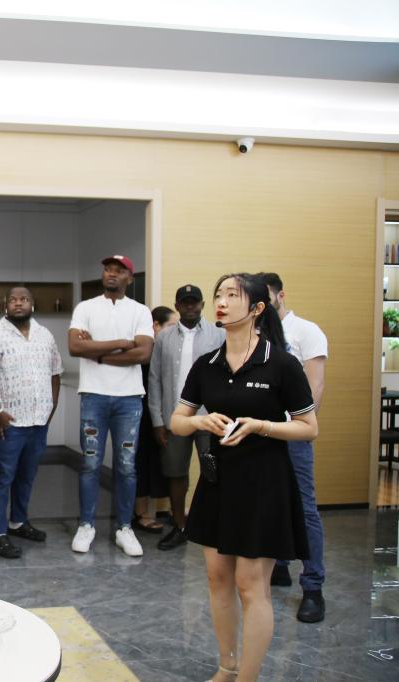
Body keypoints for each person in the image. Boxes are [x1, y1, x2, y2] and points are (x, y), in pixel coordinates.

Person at [170, 273, 316, 682]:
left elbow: (309, 428)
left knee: (251, 585)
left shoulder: (281, 363)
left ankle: (247, 678)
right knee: (218, 579)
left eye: (232, 295)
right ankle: (226, 666)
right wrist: (200, 421)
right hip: (217, 482)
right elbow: (177, 421)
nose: (222, 301)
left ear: (257, 308)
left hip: (264, 484)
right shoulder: (207, 365)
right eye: (219, 294)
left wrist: (261, 426)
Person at [67, 255, 154, 557]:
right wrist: (121, 342)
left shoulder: (140, 311)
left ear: (130, 278)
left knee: (126, 466)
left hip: (129, 399)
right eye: (107, 270)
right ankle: (86, 525)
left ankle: (124, 528)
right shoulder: (86, 308)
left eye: (119, 271)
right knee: (90, 463)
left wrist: (98, 353)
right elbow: (75, 346)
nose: (111, 274)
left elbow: (143, 354)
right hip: (94, 395)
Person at [261, 272, 329, 623]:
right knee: (270, 503)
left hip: (292, 434)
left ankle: (313, 587)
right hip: (261, 433)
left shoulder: (306, 331)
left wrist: (301, 427)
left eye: (266, 296)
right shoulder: (257, 334)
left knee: (303, 508)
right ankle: (280, 566)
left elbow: (315, 388)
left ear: (280, 295)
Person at [0, 286, 63, 559]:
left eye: (24, 299)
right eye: (13, 300)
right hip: (9, 423)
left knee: (27, 475)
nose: (18, 303)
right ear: (5, 305)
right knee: (3, 477)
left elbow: (55, 372)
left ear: (32, 304)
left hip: (39, 421)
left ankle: (18, 522)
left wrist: (51, 405)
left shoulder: (45, 335)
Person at [148, 287, 225, 551]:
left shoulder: (219, 334)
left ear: (202, 304)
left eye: (194, 303)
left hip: (209, 418)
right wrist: (158, 421)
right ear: (177, 305)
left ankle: (213, 527)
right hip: (175, 419)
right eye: (185, 303)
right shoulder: (164, 338)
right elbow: (155, 380)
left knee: (212, 472)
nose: (190, 307)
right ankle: (180, 526)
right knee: (175, 473)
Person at [133, 305, 177, 535]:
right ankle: (141, 514)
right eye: (171, 326)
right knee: (141, 461)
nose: (175, 331)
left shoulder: (167, 351)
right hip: (140, 412)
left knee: (159, 462)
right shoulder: (143, 350)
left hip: (162, 412)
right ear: (155, 326)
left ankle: (157, 511)